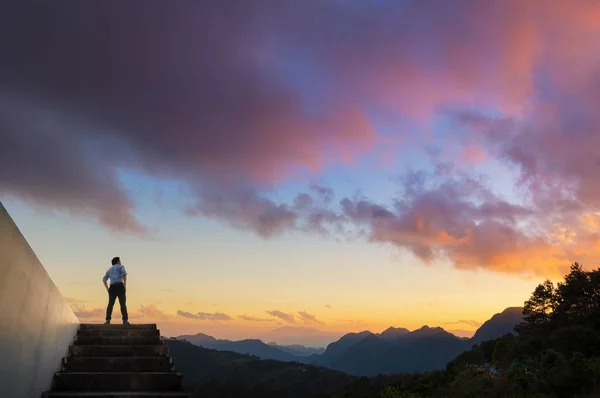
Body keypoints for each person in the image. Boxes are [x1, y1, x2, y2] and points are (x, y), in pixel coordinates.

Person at [103, 256, 129, 324]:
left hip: (112, 287)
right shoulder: (121, 267)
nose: (120, 262)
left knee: (110, 304)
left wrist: (107, 289)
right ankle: (125, 320)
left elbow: (104, 280)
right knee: (122, 304)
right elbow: (124, 275)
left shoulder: (109, 270)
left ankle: (108, 320)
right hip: (120, 286)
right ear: (118, 261)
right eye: (120, 261)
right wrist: (125, 285)